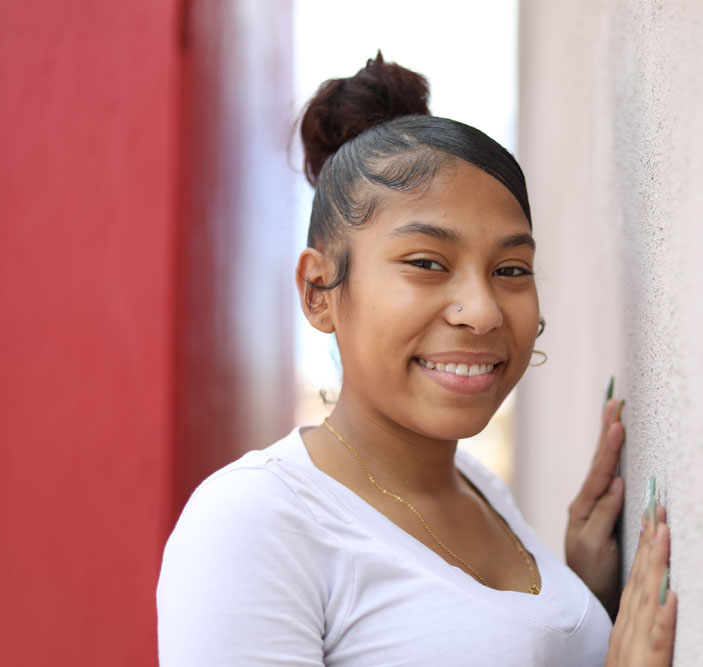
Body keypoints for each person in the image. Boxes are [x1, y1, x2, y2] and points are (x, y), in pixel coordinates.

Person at [157, 53, 676, 666]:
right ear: (319, 290)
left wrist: (584, 594)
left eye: (511, 270)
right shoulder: (253, 522)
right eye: (427, 263)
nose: (481, 312)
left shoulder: (479, 488)